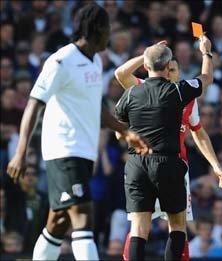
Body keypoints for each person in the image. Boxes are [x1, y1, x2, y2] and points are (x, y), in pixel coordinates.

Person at [6, 4, 150, 261]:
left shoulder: (94, 61)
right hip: (63, 149)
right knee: (83, 215)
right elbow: (34, 104)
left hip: (83, 151)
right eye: (108, 29)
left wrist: (124, 131)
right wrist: (20, 153)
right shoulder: (61, 61)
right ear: (97, 29)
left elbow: (95, 106)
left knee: (58, 222)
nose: (110, 35)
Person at [114, 41, 222, 260]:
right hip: (169, 164)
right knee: (177, 225)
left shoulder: (132, 93)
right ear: (168, 67)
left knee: (139, 228)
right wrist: (206, 52)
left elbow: (118, 129)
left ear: (146, 66)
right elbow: (207, 79)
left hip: (138, 165)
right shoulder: (178, 91)